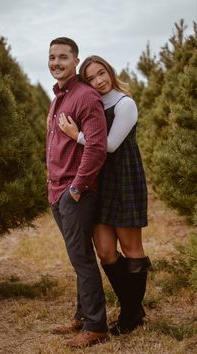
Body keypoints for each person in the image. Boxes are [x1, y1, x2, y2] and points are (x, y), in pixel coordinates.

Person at [59, 55, 152, 335]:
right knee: (106, 252)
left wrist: (77, 136)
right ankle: (133, 308)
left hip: (123, 177)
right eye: (91, 78)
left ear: (109, 72)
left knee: (132, 249)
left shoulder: (125, 104)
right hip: (100, 180)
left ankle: (130, 315)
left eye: (102, 73)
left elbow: (109, 146)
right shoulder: (95, 102)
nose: (99, 81)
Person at [46, 40, 109, 348]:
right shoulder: (59, 96)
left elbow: (96, 147)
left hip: (75, 192)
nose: (56, 62)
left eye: (63, 57)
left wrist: (76, 188)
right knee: (77, 257)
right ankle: (82, 315)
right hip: (57, 190)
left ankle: (96, 325)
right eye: (52, 57)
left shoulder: (85, 96)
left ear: (75, 60)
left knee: (82, 259)